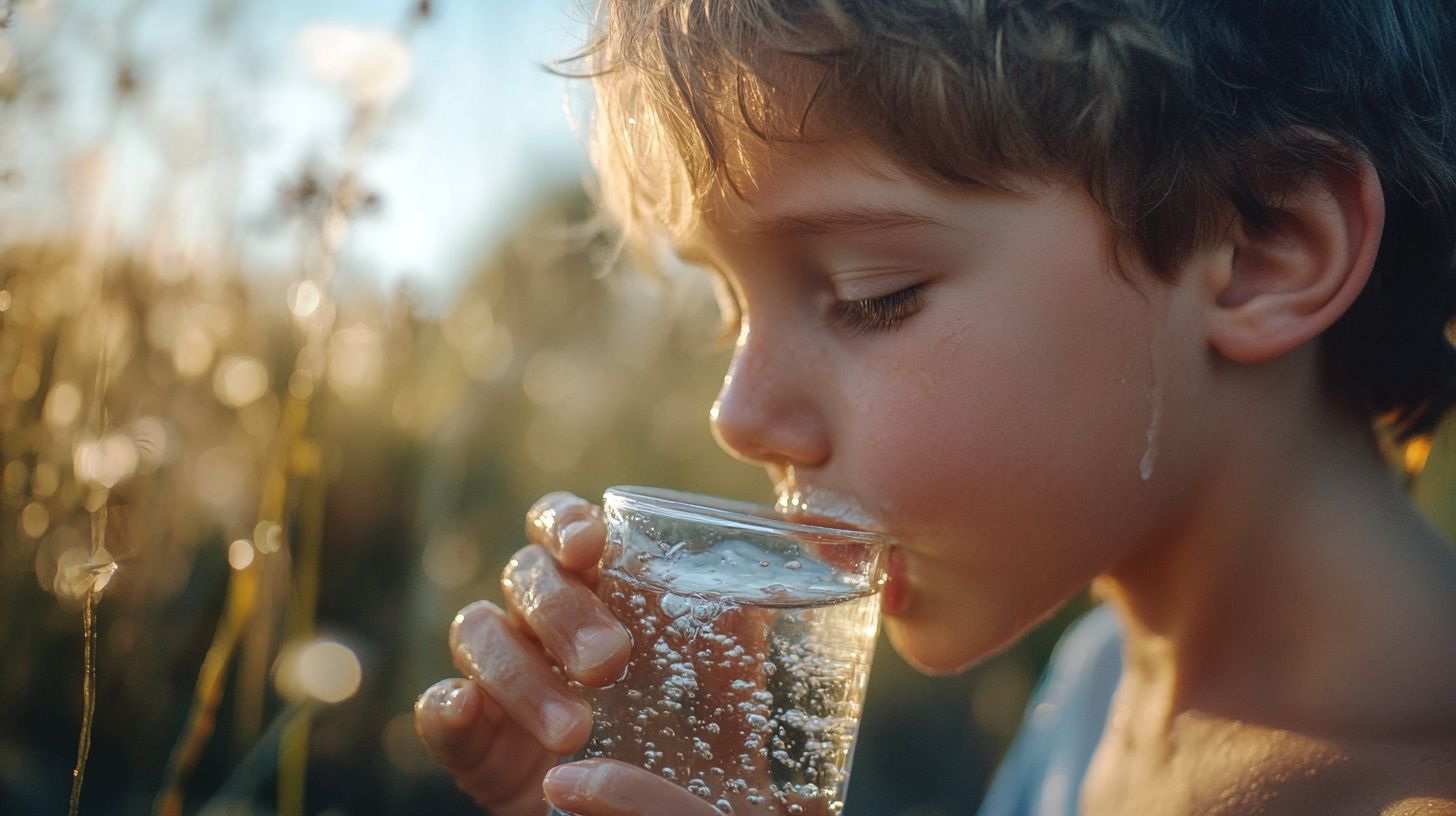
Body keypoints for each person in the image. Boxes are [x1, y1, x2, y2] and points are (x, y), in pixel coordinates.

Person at [415, 1, 1456, 813]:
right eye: (729, 302)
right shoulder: (1102, 692)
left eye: (871, 294)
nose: (735, 415)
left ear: (1267, 247)